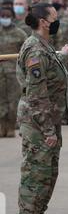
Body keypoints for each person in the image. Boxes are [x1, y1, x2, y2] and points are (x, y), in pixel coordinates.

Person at [16, 3, 68, 214]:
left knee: (48, 173)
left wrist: (62, 54)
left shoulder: (44, 46)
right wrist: (48, 129)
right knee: (36, 175)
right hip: (39, 123)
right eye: (54, 16)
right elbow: (36, 94)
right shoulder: (35, 49)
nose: (57, 20)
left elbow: (47, 69)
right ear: (43, 22)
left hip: (47, 119)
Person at [0, 7, 27, 137]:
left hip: (14, 71)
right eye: (2, 15)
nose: (5, 18)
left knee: (13, 100)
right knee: (1, 100)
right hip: (0, 72)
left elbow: (26, 52)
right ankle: (2, 126)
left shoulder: (20, 33)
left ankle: (11, 127)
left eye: (7, 15)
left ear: (12, 17)